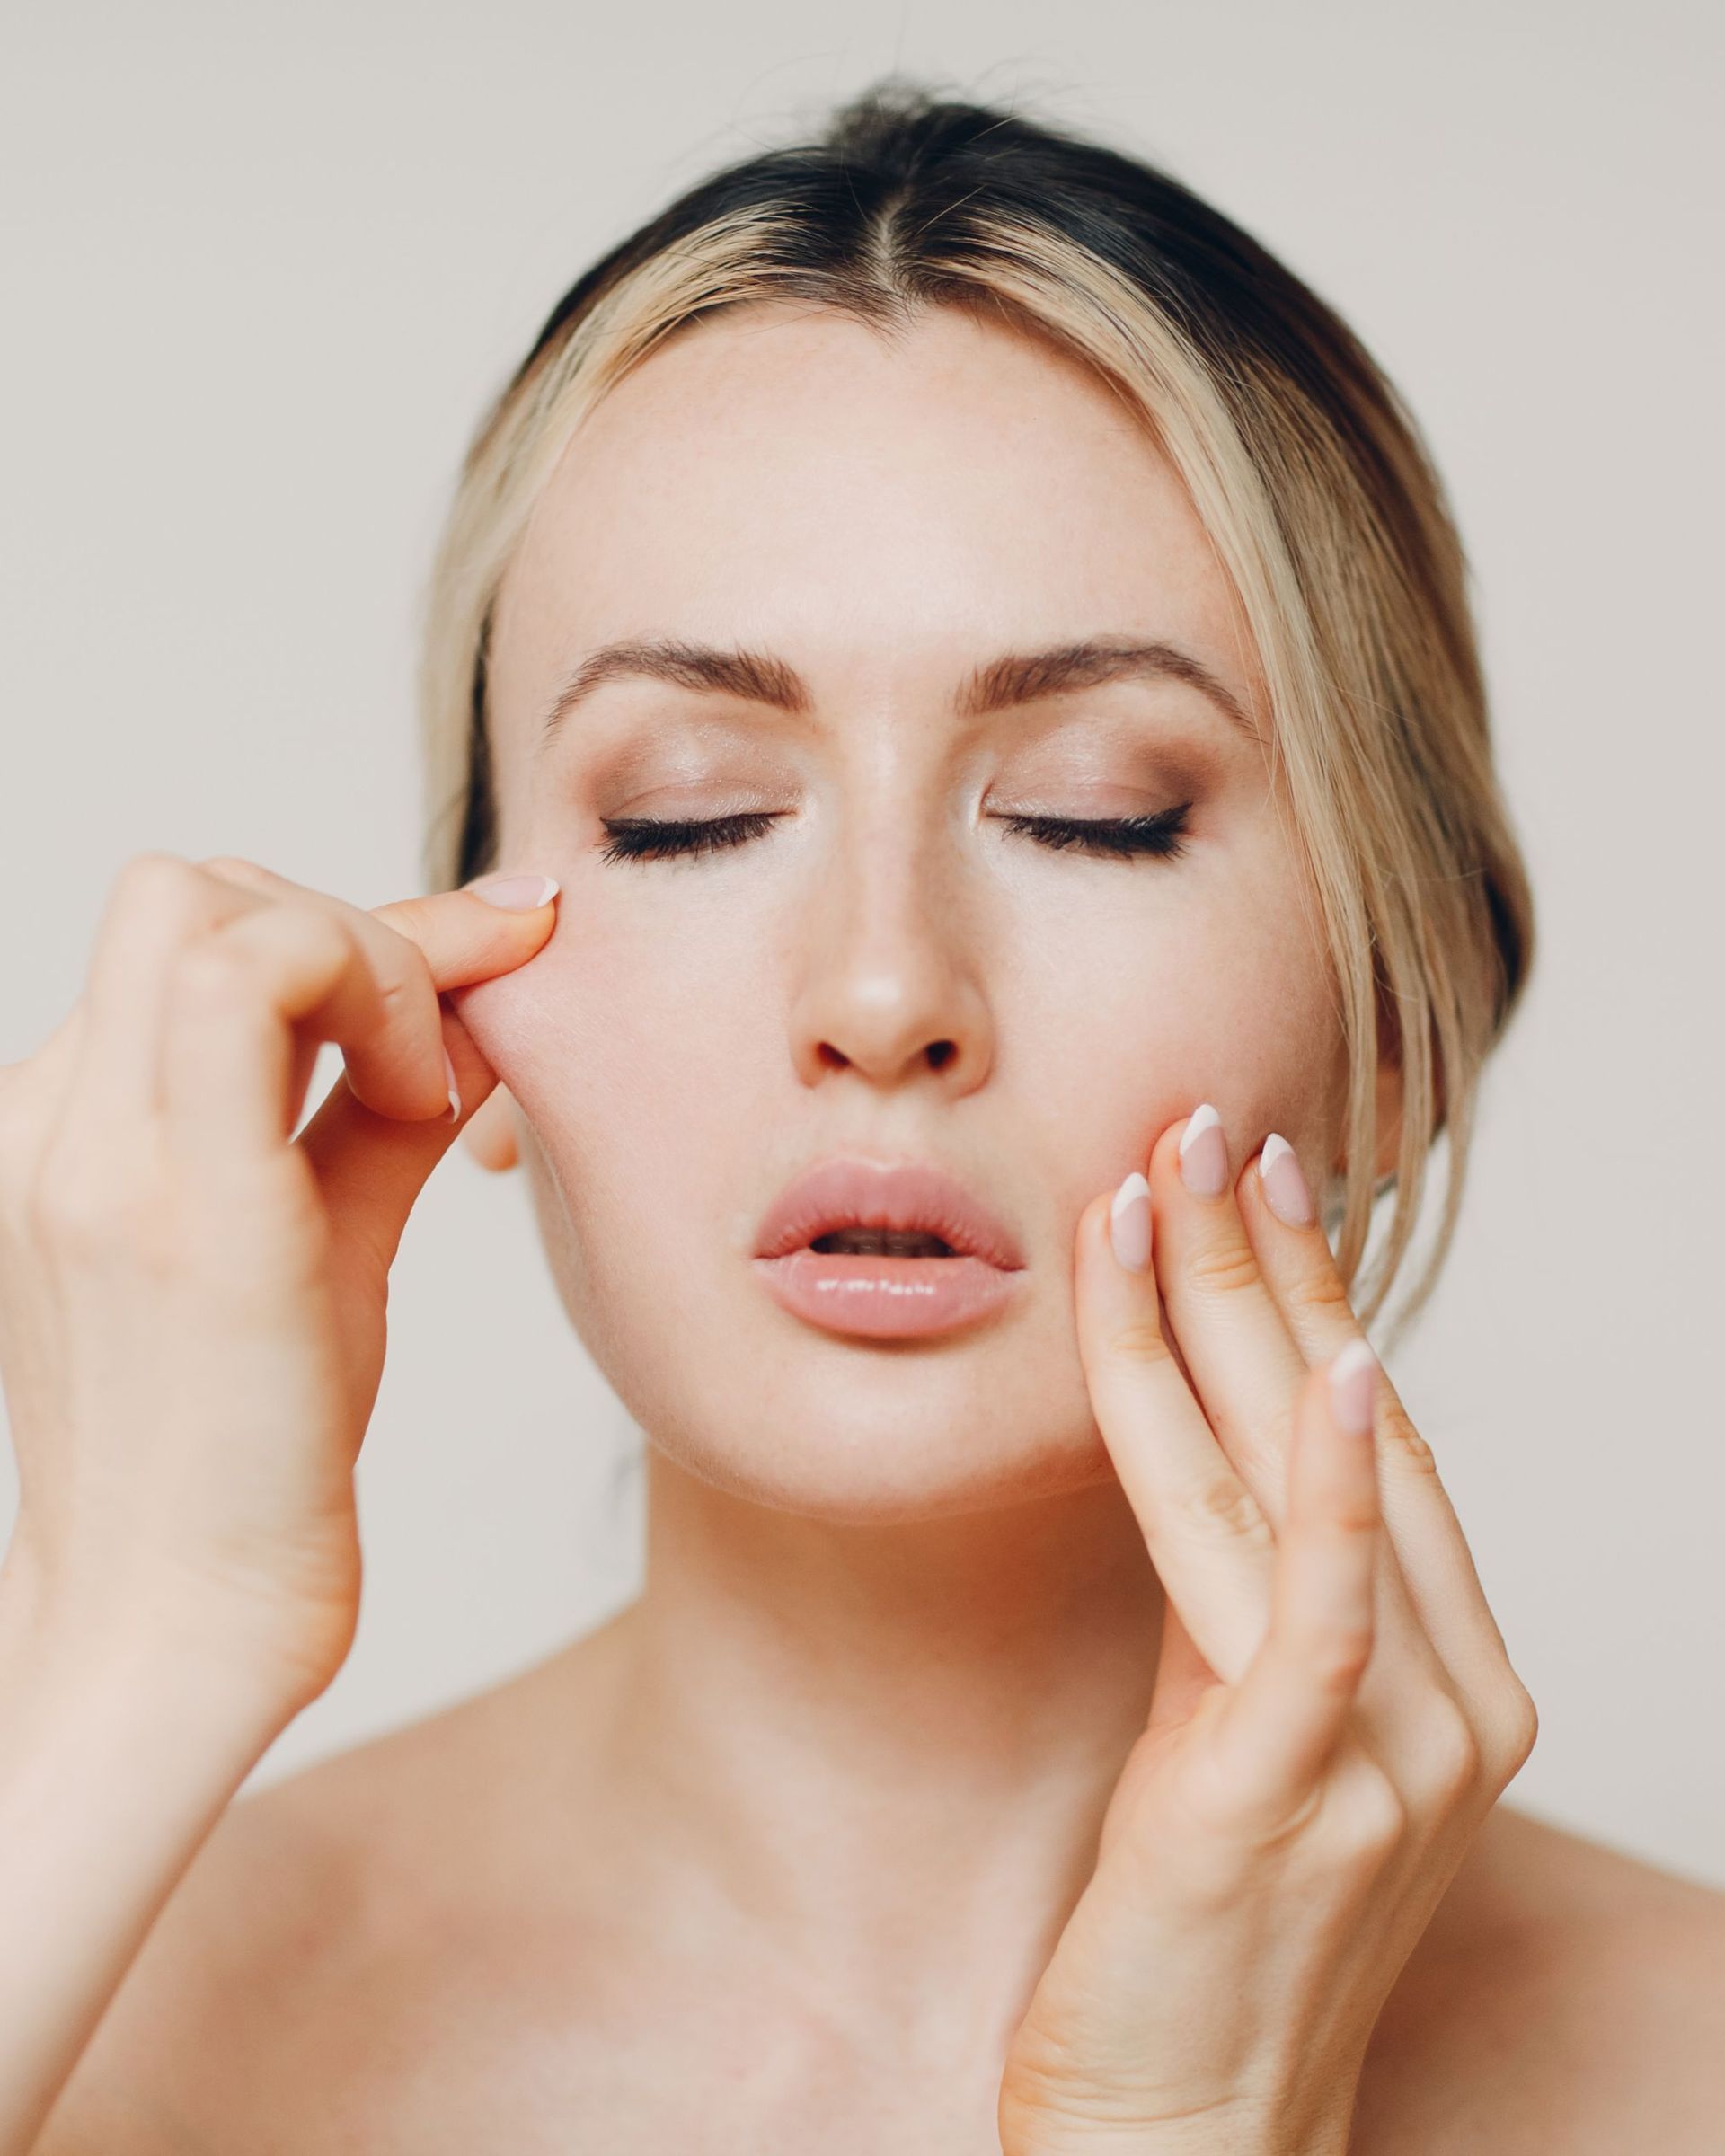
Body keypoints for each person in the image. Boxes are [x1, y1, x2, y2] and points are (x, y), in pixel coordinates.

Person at [3, 78, 1721, 2155]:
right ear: (459, 994)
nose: (884, 994)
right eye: (688, 816)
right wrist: (125, 1661)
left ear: (1403, 1026)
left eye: (1102, 816)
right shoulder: (98, 2009)